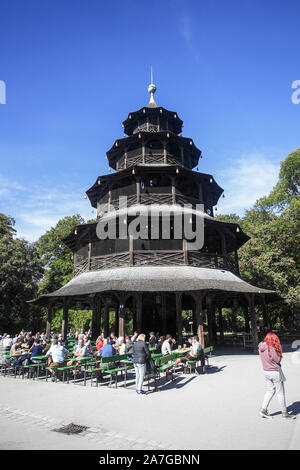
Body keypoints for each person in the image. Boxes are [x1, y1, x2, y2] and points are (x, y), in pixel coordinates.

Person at [259, 332, 296, 420]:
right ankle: (284, 413)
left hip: (266, 371)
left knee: (270, 391)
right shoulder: (271, 348)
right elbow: (277, 359)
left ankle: (263, 409)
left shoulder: (260, 346)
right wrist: (279, 353)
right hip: (275, 372)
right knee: (280, 392)